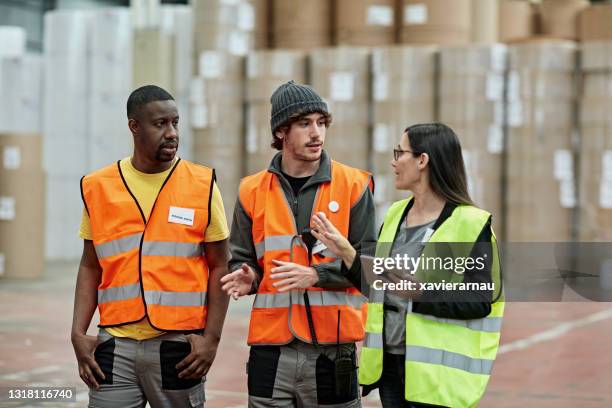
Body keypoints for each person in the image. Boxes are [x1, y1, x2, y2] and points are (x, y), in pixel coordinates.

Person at [311, 123, 504, 407]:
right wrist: (347, 251)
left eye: (400, 152)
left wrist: (418, 292)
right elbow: (378, 285)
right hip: (391, 368)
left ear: (422, 160)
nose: (394, 161)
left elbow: (477, 300)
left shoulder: (471, 224)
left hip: (437, 378)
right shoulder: (396, 214)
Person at [71, 85, 230, 408]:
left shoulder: (201, 185)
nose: (172, 133)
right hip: (114, 346)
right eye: (161, 124)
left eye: (175, 123)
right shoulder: (98, 186)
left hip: (178, 348)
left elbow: (220, 266)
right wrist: (78, 332)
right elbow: (90, 265)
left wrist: (211, 339)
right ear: (134, 126)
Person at [220, 80, 376, 407]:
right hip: (270, 350)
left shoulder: (354, 186)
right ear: (281, 132)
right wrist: (248, 277)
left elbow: (371, 269)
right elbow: (243, 259)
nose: (316, 133)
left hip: (332, 351)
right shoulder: (251, 190)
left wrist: (317, 276)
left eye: (321, 123)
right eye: (305, 124)